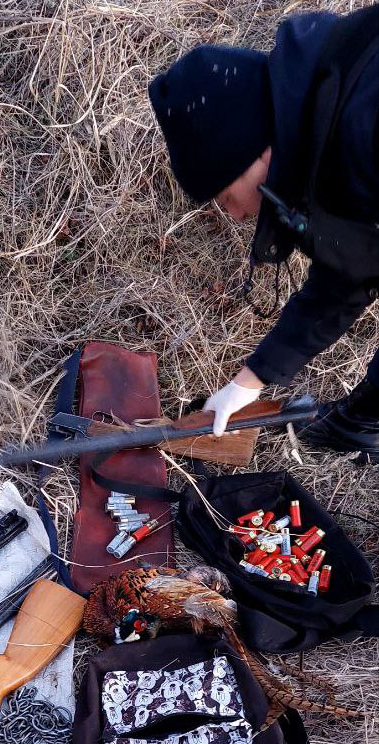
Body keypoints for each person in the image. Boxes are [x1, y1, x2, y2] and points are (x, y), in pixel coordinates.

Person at [149, 5, 379, 460]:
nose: (235, 215)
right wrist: (250, 381)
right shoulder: (330, 110)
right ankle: (366, 419)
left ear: (256, 156)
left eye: (225, 195)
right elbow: (354, 263)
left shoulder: (365, 125)